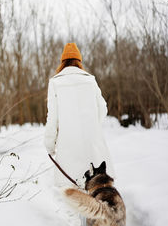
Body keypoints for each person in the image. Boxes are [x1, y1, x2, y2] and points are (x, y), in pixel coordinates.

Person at [44, 43, 115, 187]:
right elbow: (103, 108)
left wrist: (50, 145)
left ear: (62, 62)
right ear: (79, 61)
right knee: (97, 189)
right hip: (92, 145)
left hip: (68, 147)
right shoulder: (90, 80)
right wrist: (92, 124)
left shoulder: (55, 83)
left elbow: (52, 118)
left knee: (73, 193)